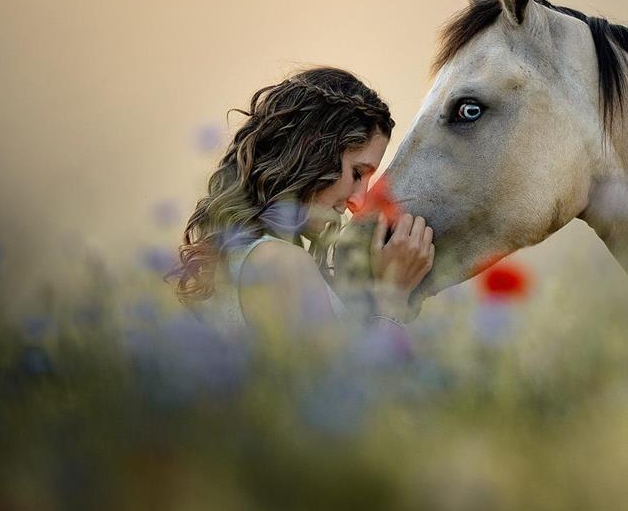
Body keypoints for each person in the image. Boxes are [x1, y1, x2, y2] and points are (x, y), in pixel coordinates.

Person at [169, 67, 432, 329]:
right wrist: (393, 298)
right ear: (313, 153)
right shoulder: (282, 263)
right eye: (356, 173)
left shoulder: (240, 256)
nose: (358, 202)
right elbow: (345, 373)